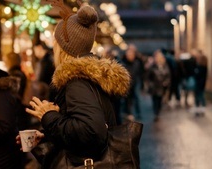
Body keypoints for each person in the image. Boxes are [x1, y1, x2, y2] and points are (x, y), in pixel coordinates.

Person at [18, 3, 130, 168]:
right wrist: (47, 134)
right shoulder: (91, 76)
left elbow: (91, 132)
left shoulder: (77, 81)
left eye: (56, 43)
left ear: (63, 48)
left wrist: (48, 116)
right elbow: (82, 125)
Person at [147, 50, 171, 122]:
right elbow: (148, 77)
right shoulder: (152, 66)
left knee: (159, 101)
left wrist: (166, 82)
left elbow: (168, 76)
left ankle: (157, 112)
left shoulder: (165, 66)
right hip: (154, 87)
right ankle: (155, 113)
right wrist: (150, 84)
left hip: (161, 87)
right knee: (155, 101)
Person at [193, 50, 208, 116]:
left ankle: (199, 109)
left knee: (198, 96)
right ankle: (201, 109)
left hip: (198, 84)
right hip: (202, 84)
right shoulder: (204, 67)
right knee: (201, 96)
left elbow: (196, 75)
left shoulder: (200, 67)